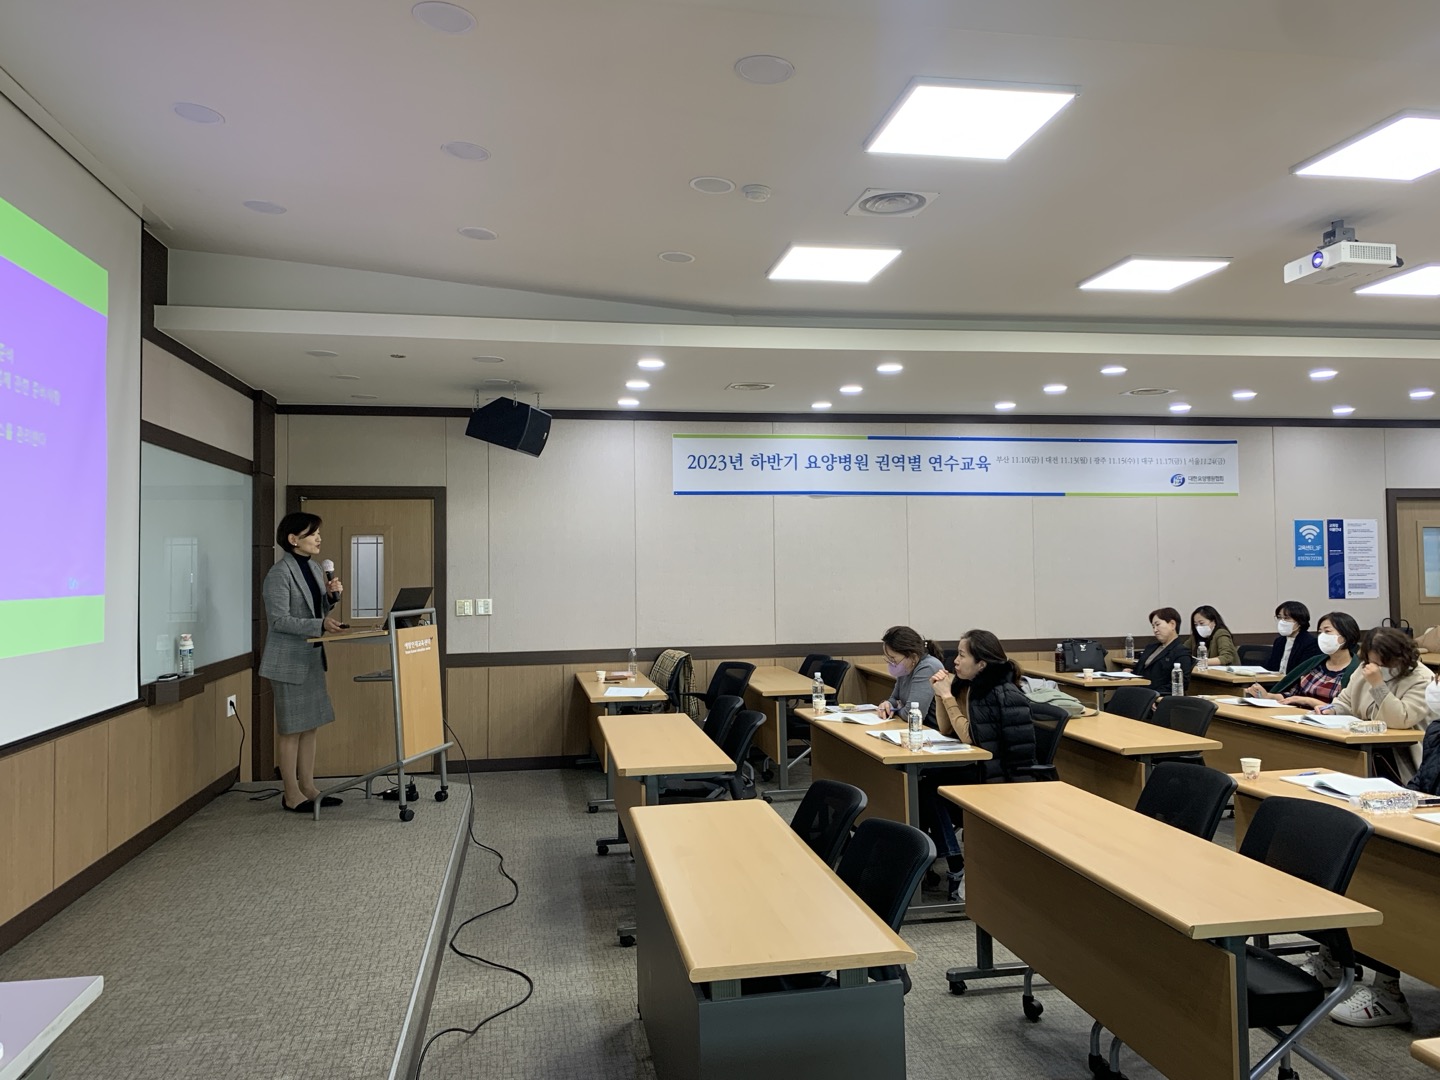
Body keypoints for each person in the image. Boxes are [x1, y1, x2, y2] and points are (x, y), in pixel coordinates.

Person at [1294, 627, 1435, 1026]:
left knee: (1386, 876)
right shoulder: (1363, 671)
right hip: (1367, 779)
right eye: (1368, 660)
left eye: (1380, 661)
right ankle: (1333, 957)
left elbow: (1401, 721)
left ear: (1399, 658)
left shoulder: (1420, 679)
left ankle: (1386, 986)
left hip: (1399, 772)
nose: (1371, 667)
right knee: (1351, 866)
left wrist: (1378, 685)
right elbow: (1342, 703)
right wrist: (1328, 712)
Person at [929, 630, 1038, 902]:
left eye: (962, 655)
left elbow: (970, 737)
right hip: (983, 768)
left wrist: (947, 697)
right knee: (927, 783)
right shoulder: (972, 686)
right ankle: (953, 859)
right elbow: (946, 729)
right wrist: (941, 694)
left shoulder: (996, 692)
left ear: (982, 664)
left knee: (932, 787)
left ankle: (955, 864)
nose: (955, 661)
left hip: (1002, 779)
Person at [259, 512, 346, 814]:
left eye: (318, 533)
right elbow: (279, 620)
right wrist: (320, 624)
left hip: (311, 656)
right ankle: (291, 794)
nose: (319, 538)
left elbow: (315, 610)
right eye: (312, 533)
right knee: (292, 729)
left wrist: (331, 598)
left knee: (310, 726)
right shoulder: (279, 574)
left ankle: (309, 787)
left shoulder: (313, 568)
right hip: (287, 661)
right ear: (293, 539)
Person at [1244, 611, 1361, 708]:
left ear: (1346, 635)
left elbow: (1346, 709)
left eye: (1327, 631)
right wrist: (1268, 696)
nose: (1322, 636)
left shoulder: (1357, 670)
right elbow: (1292, 695)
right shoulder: (1315, 663)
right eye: (1320, 632)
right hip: (1298, 716)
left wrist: (1307, 701)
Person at [874, 625, 945, 722]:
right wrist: (888, 704)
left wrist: (896, 709)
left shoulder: (928, 667)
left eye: (893, 659)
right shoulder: (906, 667)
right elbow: (894, 698)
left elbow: (912, 715)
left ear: (913, 657)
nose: (891, 663)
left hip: (929, 728)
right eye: (888, 659)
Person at [1134, 607, 1194, 694]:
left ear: (1172, 624)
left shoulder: (1181, 652)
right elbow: (1139, 671)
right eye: (1153, 626)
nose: (1155, 630)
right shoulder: (1150, 648)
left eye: (1157, 625)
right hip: (1138, 692)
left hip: (1157, 695)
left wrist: (1155, 694)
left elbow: (1182, 683)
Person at [1266, 600, 1321, 675]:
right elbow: (1271, 667)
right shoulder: (1279, 641)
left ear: (1300, 621)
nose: (1282, 621)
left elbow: (1303, 671)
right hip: (1275, 680)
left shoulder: (1310, 643)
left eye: (1287, 618)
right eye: (1279, 617)